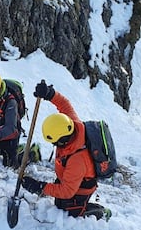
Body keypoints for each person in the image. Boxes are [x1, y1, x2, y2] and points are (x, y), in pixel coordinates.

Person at [21, 80, 108, 220]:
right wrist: (49, 93)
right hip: (71, 179)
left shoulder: (77, 159)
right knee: (59, 202)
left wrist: (39, 186)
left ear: (62, 140)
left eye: (54, 142)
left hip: (81, 188)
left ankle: (99, 213)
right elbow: (64, 104)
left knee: (69, 212)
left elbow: (67, 191)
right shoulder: (72, 124)